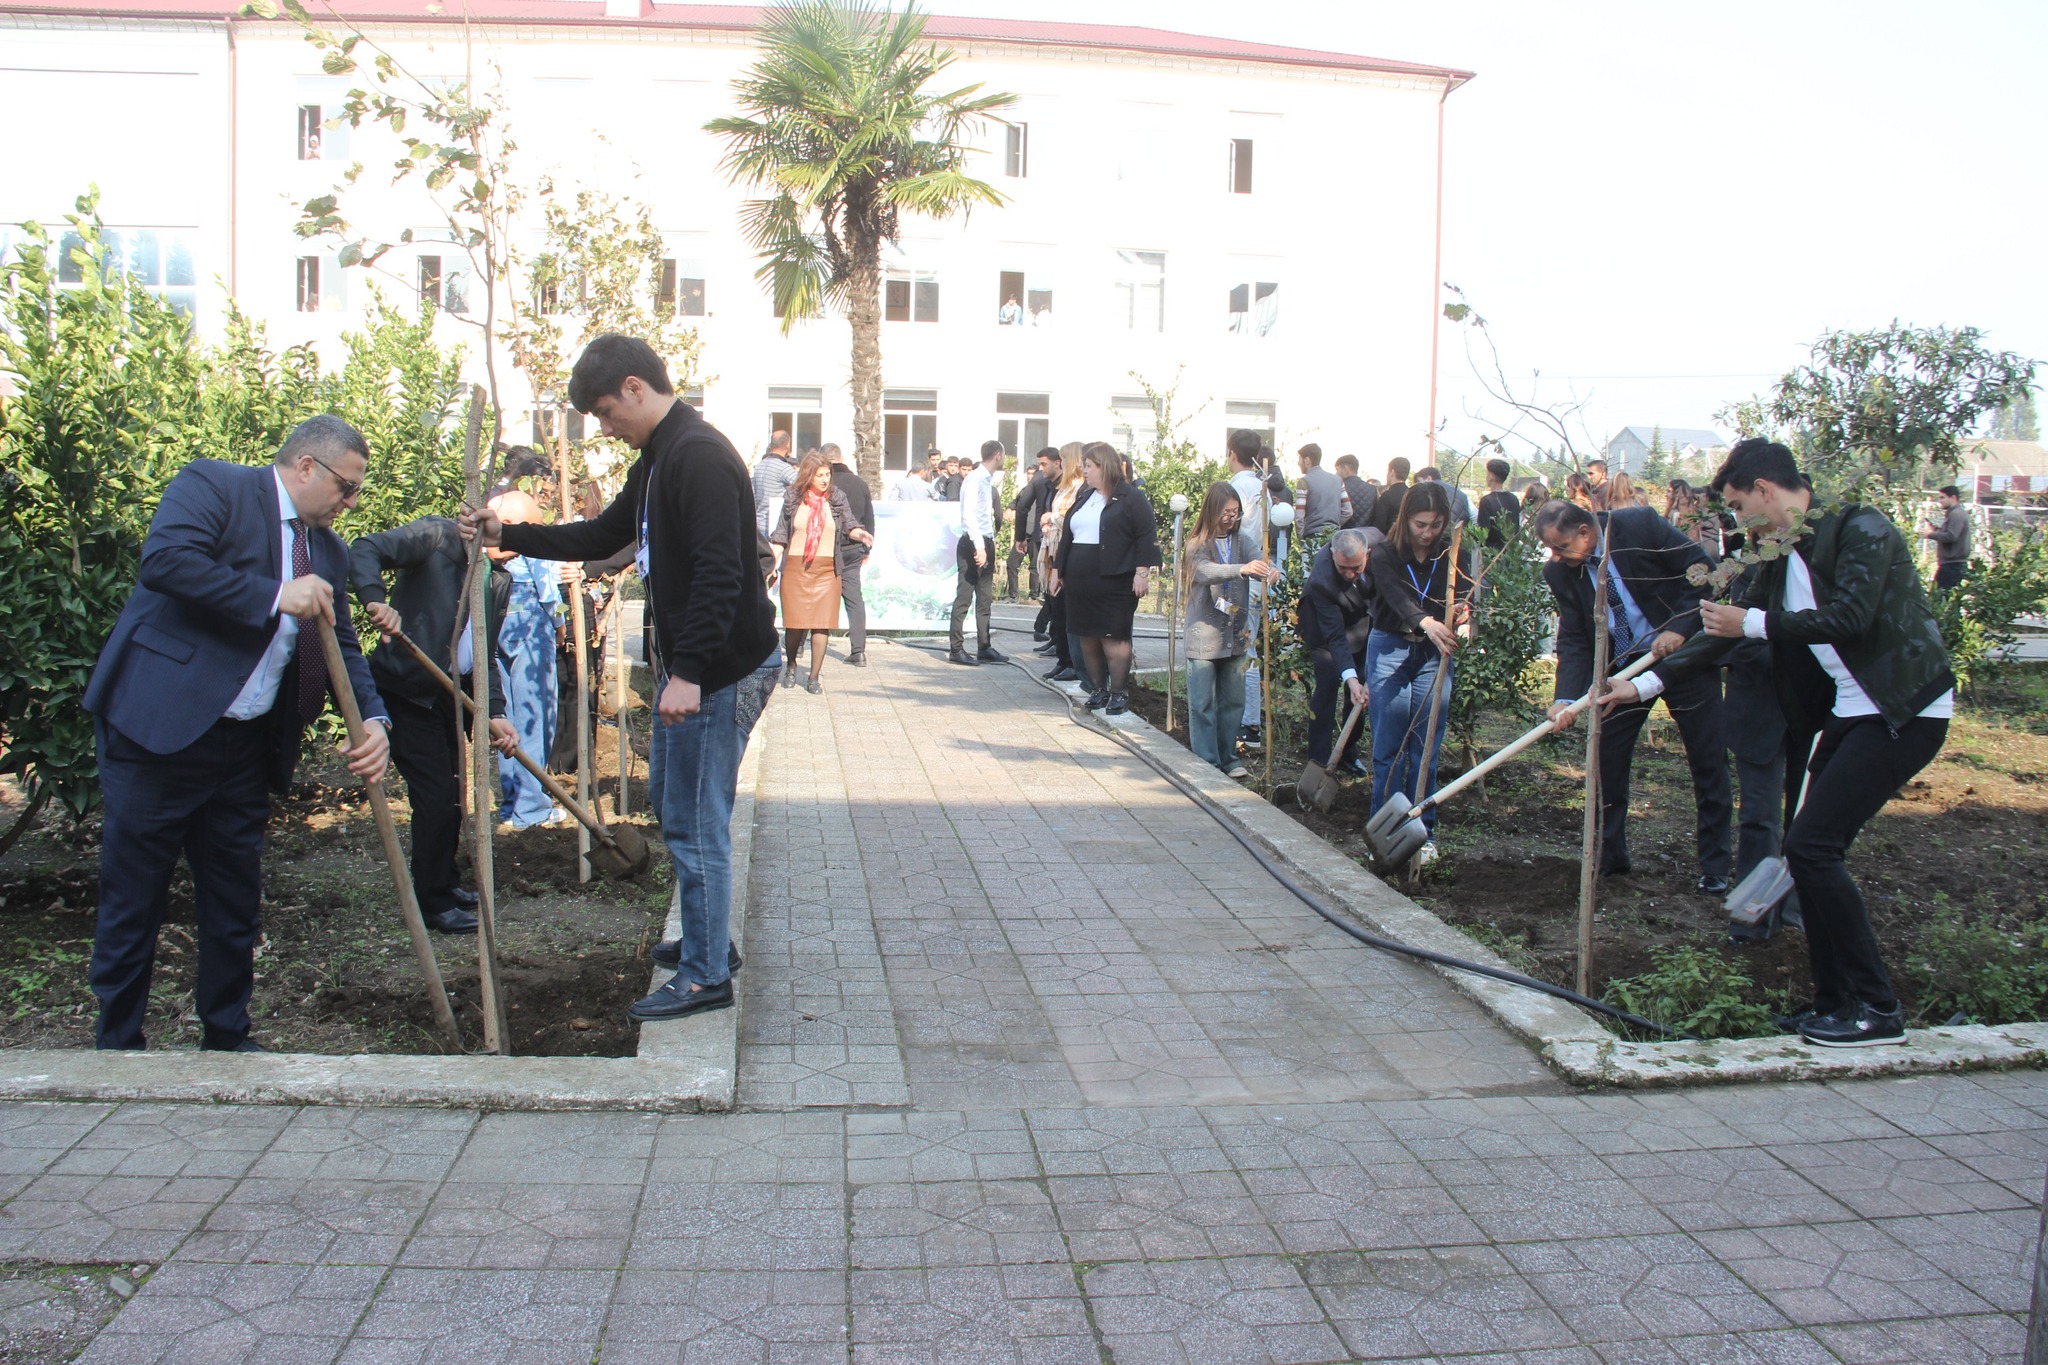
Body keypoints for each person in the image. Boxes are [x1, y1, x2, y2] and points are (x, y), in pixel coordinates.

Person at [462, 334, 778, 1024]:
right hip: (696, 668)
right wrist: (508, 535)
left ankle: (704, 975)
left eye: (607, 411)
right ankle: (704, 942)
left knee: (696, 824)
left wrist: (688, 673)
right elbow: (605, 533)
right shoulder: (661, 453)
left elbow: (724, 572)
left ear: (637, 387)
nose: (606, 428)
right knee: (673, 803)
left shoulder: (696, 455)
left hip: (720, 670)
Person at [1604, 438, 1955, 1047]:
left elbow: (1853, 618)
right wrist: (1644, 686)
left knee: (1814, 848)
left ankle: (1878, 1008)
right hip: (1849, 710)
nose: (1737, 521)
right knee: (1806, 850)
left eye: (1738, 506)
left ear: (1765, 491)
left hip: (1904, 708)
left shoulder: (1859, 528)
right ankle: (1831, 1004)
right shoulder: (1777, 551)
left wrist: (1754, 623)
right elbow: (1724, 634)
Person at [84, 416, 392, 1052]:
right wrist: (276, 594)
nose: (350, 501)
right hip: (159, 736)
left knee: (233, 903)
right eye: (346, 485)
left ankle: (227, 1038)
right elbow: (166, 562)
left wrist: (375, 720)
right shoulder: (216, 488)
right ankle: (116, 1049)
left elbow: (346, 648)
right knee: (133, 896)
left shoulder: (328, 552)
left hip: (245, 751)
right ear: (305, 466)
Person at [1536, 497, 1733, 891]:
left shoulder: (1639, 526)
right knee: (1607, 758)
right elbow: (1575, 636)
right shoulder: (1560, 573)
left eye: (1560, 546)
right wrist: (1564, 697)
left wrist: (1679, 627)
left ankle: (1716, 866)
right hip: (1620, 669)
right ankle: (1610, 858)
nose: (1554, 557)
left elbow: (1705, 572)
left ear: (1586, 532)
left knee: (1707, 758)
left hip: (1681, 656)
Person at [348, 514, 520, 934]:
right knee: (436, 796)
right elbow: (365, 547)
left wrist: (495, 711)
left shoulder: (496, 578)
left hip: (448, 693)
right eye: (512, 526)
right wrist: (374, 599)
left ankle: (446, 882)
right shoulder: (436, 537)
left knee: (453, 795)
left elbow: (484, 654)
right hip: (406, 690)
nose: (515, 539)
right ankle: (432, 902)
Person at [1365, 485, 1471, 861]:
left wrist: (1462, 608)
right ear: (1406, 519)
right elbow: (1394, 595)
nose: (1427, 533)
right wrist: (1425, 620)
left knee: (1425, 748)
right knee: (1388, 748)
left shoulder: (1454, 553)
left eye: (1436, 525)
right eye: (1420, 524)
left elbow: (1466, 591)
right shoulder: (1384, 554)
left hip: (1433, 653)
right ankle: (1386, 834)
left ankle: (1423, 834)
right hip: (1391, 648)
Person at [1051, 441, 1161, 715]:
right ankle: (1098, 688)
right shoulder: (1086, 495)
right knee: (1087, 636)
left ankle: (1119, 692)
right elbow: (1068, 536)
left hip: (1114, 580)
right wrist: (1058, 570)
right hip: (1080, 580)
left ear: (1104, 466)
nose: (1084, 471)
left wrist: (1142, 572)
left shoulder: (1131, 497)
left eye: (1088, 466)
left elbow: (1145, 535)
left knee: (1113, 637)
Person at [1181, 482, 1276, 778]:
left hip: (1236, 635)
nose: (1231, 518)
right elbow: (1205, 572)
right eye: (1226, 512)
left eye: (1236, 513)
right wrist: (1241, 569)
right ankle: (1207, 761)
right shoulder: (1197, 543)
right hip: (1204, 635)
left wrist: (1269, 569)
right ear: (1212, 510)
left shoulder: (1242, 539)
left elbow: (1260, 558)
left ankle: (1229, 757)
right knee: (1203, 702)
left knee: (1233, 700)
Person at [489, 489, 566, 832]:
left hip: (494, 614)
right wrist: (560, 622)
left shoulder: (483, 529)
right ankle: (532, 809)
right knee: (535, 715)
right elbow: (548, 586)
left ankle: (511, 803)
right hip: (529, 616)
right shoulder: (527, 529)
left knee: (504, 716)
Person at [770, 450, 871, 693]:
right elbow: (781, 534)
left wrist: (860, 534)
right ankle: (792, 665)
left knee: (821, 624)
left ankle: (814, 677)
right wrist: (771, 562)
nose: (825, 480)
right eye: (820, 475)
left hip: (827, 570)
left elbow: (850, 524)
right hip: (796, 568)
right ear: (808, 475)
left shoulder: (836, 497)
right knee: (794, 625)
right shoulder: (794, 497)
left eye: (827, 475)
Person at [1301, 526, 1383, 783]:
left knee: (1358, 696)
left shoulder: (1383, 548)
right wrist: (1349, 678)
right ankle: (1319, 761)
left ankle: (1348, 751)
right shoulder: (1322, 579)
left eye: (1356, 568)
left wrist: (1357, 681)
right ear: (1333, 554)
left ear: (1368, 554)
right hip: (1325, 631)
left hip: (1363, 624)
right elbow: (1335, 637)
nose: (1349, 574)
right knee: (1326, 689)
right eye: (1342, 568)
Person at [1227, 430, 1272, 751]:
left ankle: (1249, 724)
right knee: (1246, 645)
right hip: (1258, 577)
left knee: (1242, 648)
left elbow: (1231, 533)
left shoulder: (1236, 488)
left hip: (1240, 578)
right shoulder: (1263, 488)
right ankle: (1242, 720)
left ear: (1231, 454)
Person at [948, 439, 1009, 665]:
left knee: (984, 598)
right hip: (973, 542)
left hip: (986, 540)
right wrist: (979, 546)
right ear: (998, 455)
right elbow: (969, 516)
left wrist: (988, 543)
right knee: (965, 595)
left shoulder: (985, 479)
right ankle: (956, 648)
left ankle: (984, 646)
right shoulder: (974, 479)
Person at [1039, 443, 1089, 684]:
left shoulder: (1080, 487)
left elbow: (1070, 519)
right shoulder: (1065, 486)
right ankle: (1063, 658)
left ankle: (1071, 661)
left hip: (1065, 552)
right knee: (1056, 608)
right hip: (1052, 549)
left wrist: (1052, 517)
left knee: (1064, 610)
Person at [824, 444, 875, 667]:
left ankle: (800, 641)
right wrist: (867, 548)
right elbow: (869, 518)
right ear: (841, 457)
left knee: (818, 595)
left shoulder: (823, 483)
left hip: (826, 549)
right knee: (854, 598)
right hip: (853, 548)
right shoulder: (859, 483)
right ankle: (858, 650)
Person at [1009, 448, 1057, 602]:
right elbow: (1021, 507)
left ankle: (1041, 598)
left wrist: (1019, 537)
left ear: (1057, 463)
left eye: (1044, 464)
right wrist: (1021, 537)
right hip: (1046, 533)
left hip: (1047, 533)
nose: (1040, 469)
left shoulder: (1039, 480)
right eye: (1039, 465)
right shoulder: (1040, 480)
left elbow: (1023, 508)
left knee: (1043, 569)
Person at [1922, 485, 1972, 591]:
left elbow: (1951, 536)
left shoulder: (1956, 514)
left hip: (1952, 566)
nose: (1940, 501)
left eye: (1942, 497)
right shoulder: (1954, 513)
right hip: (1951, 565)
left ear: (1953, 498)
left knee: (1940, 598)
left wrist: (1930, 534)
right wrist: (1936, 530)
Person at [750, 429, 796, 538]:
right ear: (787, 445)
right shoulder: (784, 468)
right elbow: (801, 486)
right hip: (775, 525)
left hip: (758, 524)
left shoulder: (759, 466)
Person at [1476, 458, 1522, 551]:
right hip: (1511, 552)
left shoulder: (1486, 501)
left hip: (1492, 553)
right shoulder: (1514, 499)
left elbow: (1483, 532)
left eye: (1487, 473)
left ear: (1491, 476)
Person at [1297, 443, 1343, 537]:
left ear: (1307, 460)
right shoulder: (1337, 480)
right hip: (1333, 536)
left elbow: (1299, 517)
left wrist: (1301, 539)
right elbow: (1348, 511)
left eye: (1299, 459)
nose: (1298, 463)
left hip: (1312, 535)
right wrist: (1335, 525)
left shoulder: (1304, 482)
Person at [1368, 456, 1411, 536]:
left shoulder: (1387, 496)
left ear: (1392, 472)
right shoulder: (1412, 494)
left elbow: (1379, 527)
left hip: (1390, 542)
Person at [1335, 454, 1376, 530]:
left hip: (1342, 535)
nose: (1336, 474)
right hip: (1364, 537)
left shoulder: (1338, 488)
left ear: (1345, 469)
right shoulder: (1373, 489)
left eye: (1337, 470)